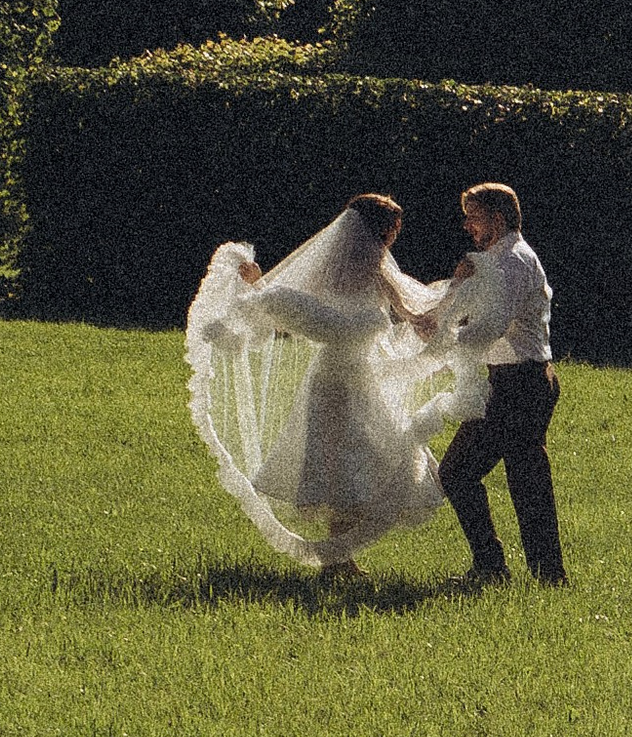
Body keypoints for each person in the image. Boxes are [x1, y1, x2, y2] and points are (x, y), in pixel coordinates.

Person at [184, 192, 448, 580]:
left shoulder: (378, 271)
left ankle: (340, 559)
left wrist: (443, 311)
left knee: (359, 461)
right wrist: (258, 287)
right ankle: (338, 561)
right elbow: (289, 307)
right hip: (336, 381)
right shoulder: (332, 270)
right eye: (392, 229)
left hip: (364, 377)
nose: (395, 237)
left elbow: (410, 311)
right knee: (342, 464)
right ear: (377, 232)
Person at [427, 180, 565, 587]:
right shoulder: (497, 261)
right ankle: (544, 575)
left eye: (474, 217)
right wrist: (457, 288)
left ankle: (494, 568)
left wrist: (439, 343)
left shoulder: (512, 264)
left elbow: (489, 328)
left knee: (457, 473)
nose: (467, 226)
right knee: (526, 476)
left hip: (519, 384)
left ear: (498, 219)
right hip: (519, 381)